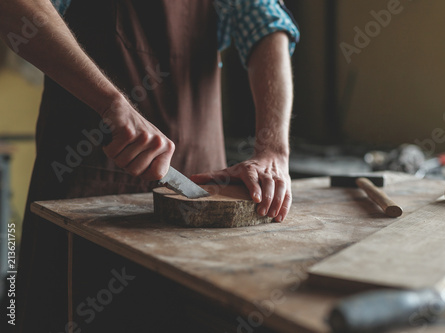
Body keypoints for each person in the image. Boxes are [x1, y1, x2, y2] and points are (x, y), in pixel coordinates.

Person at [0, 0, 299, 331]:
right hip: (81, 191)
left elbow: (266, 24)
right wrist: (110, 102)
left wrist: (272, 149)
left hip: (200, 202)